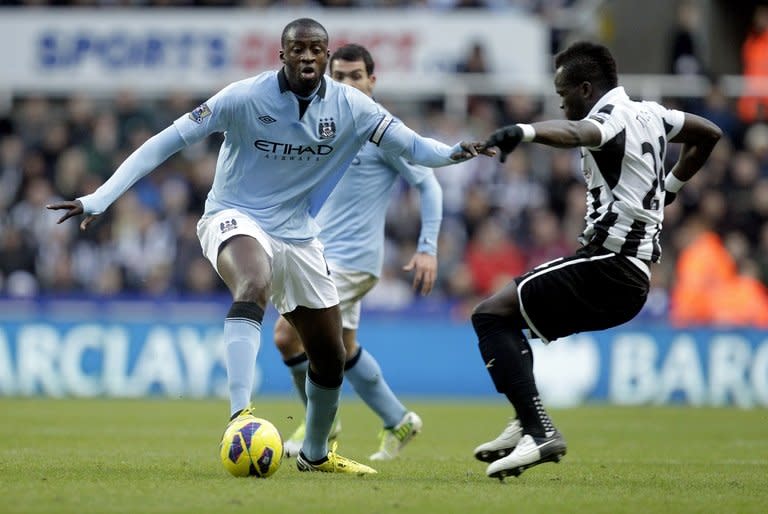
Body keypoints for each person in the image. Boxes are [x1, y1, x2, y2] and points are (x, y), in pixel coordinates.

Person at [46, 18, 492, 476]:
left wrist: (461, 150)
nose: (306, 57)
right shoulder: (243, 97)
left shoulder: (353, 108)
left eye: (315, 49)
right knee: (253, 281)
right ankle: (241, 416)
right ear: (282, 55)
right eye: (297, 49)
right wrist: (99, 197)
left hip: (298, 233)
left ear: (325, 55)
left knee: (331, 354)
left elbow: (419, 149)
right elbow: (167, 142)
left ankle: (316, 454)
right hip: (232, 215)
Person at [475, 40, 721, 480]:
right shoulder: (653, 113)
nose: (560, 100)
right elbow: (708, 133)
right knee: (509, 321)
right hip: (628, 276)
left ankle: (539, 431)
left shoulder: (606, 118)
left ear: (585, 88)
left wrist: (526, 131)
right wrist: (671, 188)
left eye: (563, 92)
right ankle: (525, 418)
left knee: (490, 314)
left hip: (610, 268)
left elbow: (578, 134)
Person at [273, 43, 439, 461]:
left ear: (372, 81)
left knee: (286, 335)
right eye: (339, 77)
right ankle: (398, 419)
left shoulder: (381, 129)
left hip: (352, 260)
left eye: (355, 76)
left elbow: (428, 184)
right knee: (342, 348)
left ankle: (322, 430)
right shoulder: (324, 124)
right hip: (317, 254)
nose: (346, 84)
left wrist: (428, 248)